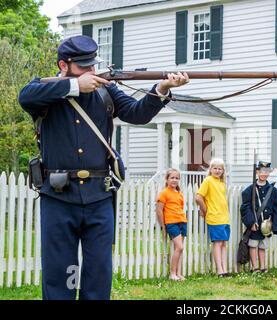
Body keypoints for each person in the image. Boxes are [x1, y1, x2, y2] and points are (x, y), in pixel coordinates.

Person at [18, 35, 189, 300]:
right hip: (58, 197)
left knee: (99, 274)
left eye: (92, 65)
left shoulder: (105, 92)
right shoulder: (47, 91)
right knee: (58, 274)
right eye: (83, 66)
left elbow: (137, 113)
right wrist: (74, 86)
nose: (91, 71)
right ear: (63, 65)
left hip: (99, 195)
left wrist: (162, 89)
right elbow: (25, 96)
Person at [240, 161, 277, 273]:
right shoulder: (249, 190)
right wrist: (251, 223)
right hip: (255, 223)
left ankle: (263, 267)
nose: (264, 174)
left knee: (263, 246)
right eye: (261, 171)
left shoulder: (272, 190)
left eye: (266, 171)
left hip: (266, 225)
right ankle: (254, 267)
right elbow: (245, 208)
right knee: (253, 245)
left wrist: (274, 226)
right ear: (257, 172)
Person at [195, 158, 231, 277]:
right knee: (217, 243)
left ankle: (225, 269)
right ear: (210, 169)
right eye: (215, 168)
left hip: (224, 217)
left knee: (224, 243)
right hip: (214, 217)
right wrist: (205, 210)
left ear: (223, 170)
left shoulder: (222, 183)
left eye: (220, 169)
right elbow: (199, 197)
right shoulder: (208, 181)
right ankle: (219, 270)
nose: (217, 170)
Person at [156, 169, 187, 281]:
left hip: (182, 221)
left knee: (180, 249)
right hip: (171, 222)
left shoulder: (180, 194)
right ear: (167, 179)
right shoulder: (164, 193)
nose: (174, 180)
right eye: (172, 178)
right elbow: (159, 210)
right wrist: (163, 226)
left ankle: (179, 273)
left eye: (177, 178)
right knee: (179, 247)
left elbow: (181, 208)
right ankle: (172, 273)